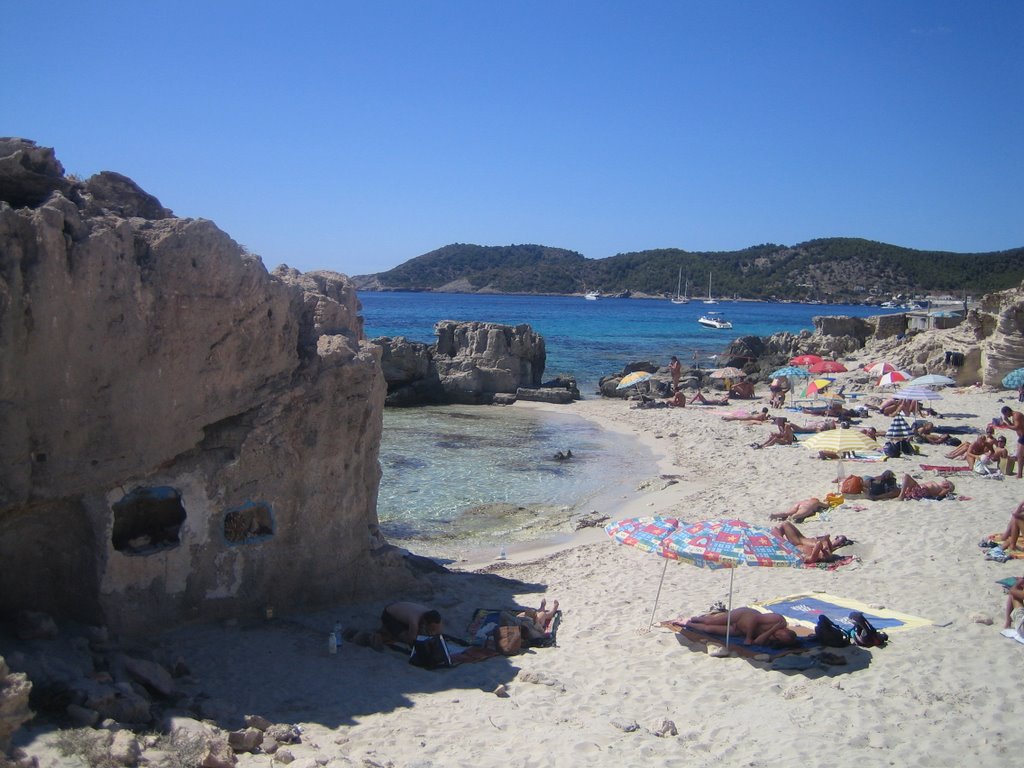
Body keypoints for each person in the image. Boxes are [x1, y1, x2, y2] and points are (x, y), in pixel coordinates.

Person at [685, 608, 798, 648]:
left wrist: (772, 631)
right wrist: (749, 637)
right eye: (780, 634)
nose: (777, 635)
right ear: (786, 629)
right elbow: (755, 618)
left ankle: (688, 624)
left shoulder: (773, 635)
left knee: (709, 629)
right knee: (712, 621)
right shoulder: (778, 620)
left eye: (779, 637)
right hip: (743, 616)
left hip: (740, 630)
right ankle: (694, 618)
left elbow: (757, 642)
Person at [771, 520, 852, 564]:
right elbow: (822, 546)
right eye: (837, 538)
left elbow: (813, 556)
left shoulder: (820, 555)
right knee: (785, 524)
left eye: (837, 539)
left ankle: (776, 543)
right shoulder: (827, 550)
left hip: (795, 545)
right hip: (799, 542)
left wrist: (822, 542)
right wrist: (826, 540)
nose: (836, 539)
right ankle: (776, 541)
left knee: (781, 527)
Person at [378, 602, 443, 645]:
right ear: (425, 622)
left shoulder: (431, 613)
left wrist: (434, 632)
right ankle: (385, 631)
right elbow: (412, 641)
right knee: (404, 637)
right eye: (430, 627)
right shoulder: (414, 621)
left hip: (399, 607)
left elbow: (438, 629)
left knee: (422, 634)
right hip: (388, 615)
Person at [1000, 406, 1024, 479]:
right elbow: (1014, 426)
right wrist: (1007, 421)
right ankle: (1020, 474)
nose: (1005, 416)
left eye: (1005, 414)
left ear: (1007, 411)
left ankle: (1019, 474)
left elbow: (1017, 427)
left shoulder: (1016, 415)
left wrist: (1006, 426)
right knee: (1020, 455)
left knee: (1019, 456)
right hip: (1021, 437)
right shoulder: (1014, 416)